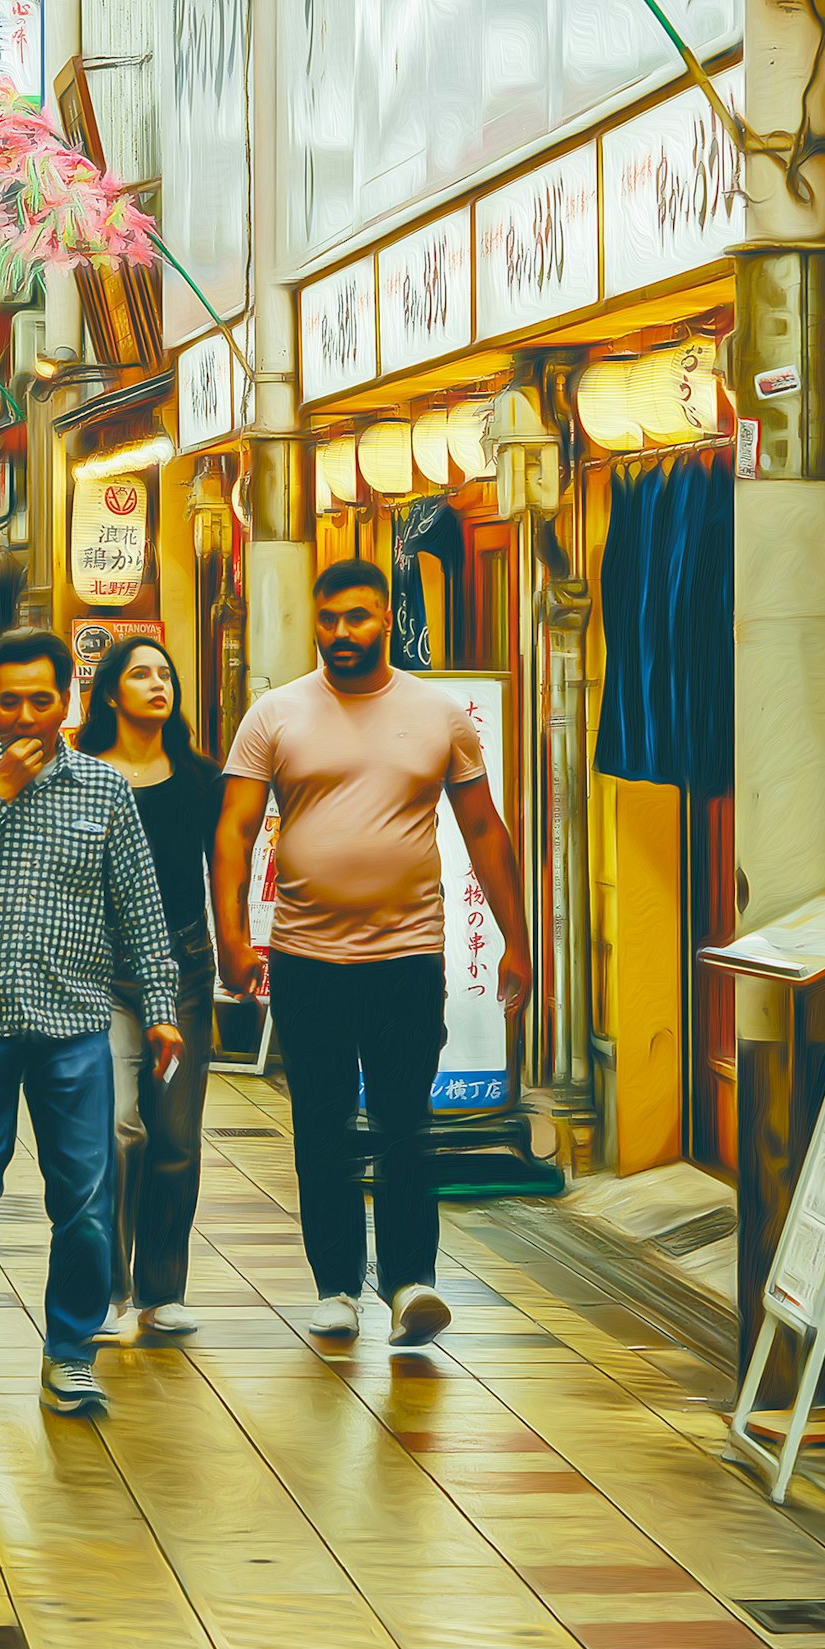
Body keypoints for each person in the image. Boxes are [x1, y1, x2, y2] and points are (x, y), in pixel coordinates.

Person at [213, 558, 530, 1350]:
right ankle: (335, 1289)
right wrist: (229, 938)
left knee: (403, 1121)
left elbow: (484, 831)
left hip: (408, 955)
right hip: (306, 958)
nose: (342, 634)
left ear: (386, 619)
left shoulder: (438, 715)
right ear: (316, 622)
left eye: (358, 618)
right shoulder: (275, 714)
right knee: (319, 1123)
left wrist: (516, 943)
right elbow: (234, 832)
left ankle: (411, 1283)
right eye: (330, 619)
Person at [0, 630, 183, 1419]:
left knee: (86, 1198)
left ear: (69, 702)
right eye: (9, 701)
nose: (26, 716)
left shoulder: (104, 791)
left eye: (41, 699)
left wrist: (161, 1010)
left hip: (75, 1024)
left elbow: (140, 909)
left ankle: (69, 1350)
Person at [80, 635, 217, 1341]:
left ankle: (164, 1290)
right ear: (111, 693)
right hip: (102, 973)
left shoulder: (198, 778)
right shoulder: (81, 776)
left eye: (166, 674)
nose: (158, 684)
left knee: (175, 1136)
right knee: (117, 1126)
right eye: (140, 674)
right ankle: (108, 1289)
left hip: (185, 969)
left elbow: (225, 866)